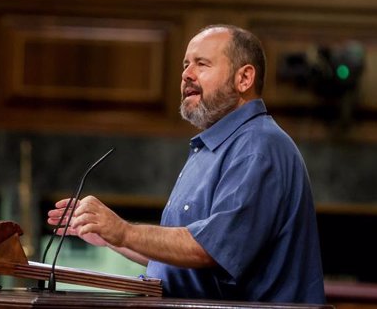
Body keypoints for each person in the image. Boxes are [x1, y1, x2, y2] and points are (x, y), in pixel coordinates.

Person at [48, 24, 325, 303]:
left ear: (244, 78)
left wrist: (123, 231)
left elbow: (210, 249)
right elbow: (178, 261)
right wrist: (109, 236)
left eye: (202, 64)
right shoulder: (215, 146)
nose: (186, 75)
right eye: (185, 65)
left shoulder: (258, 148)